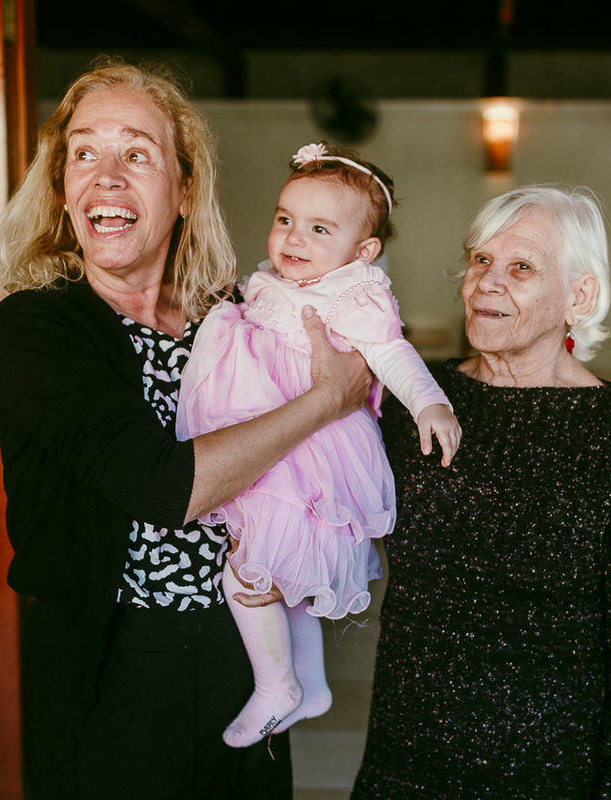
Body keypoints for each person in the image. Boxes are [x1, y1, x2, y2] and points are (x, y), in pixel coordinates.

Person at [0, 58, 373, 799]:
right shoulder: (36, 326)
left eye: (137, 153)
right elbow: (164, 488)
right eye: (85, 153)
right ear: (63, 190)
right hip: (114, 666)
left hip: (248, 658)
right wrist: (325, 398)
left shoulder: (235, 313)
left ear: (185, 189)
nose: (106, 176)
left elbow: (339, 426)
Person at [351, 185, 611, 799]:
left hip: (551, 763)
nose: (486, 283)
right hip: (408, 750)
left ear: (578, 296)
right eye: (480, 260)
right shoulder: (412, 404)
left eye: (522, 267)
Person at [177, 142, 462, 748]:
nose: (293, 238)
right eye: (285, 219)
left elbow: (392, 353)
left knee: (247, 575)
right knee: (289, 578)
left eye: (318, 228)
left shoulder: (352, 296)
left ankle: (276, 683)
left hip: (309, 455)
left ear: (363, 252)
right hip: (267, 437)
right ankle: (312, 681)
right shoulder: (278, 281)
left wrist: (429, 401)